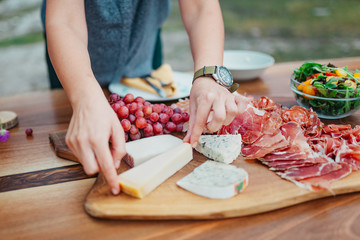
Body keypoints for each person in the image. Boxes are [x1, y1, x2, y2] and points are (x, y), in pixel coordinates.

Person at [43, 0, 247, 195]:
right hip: (72, 65)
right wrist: (84, 95)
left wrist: (208, 74)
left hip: (142, 50)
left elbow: (200, 6)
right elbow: (65, 20)